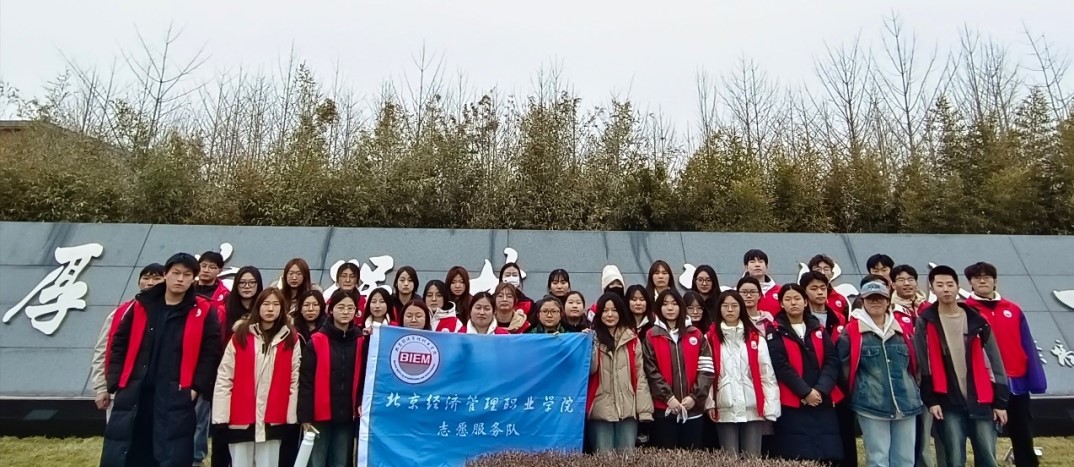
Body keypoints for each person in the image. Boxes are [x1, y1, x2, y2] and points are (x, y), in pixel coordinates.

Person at [101, 253, 223, 467]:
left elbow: (210, 353)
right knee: (129, 452)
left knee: (170, 453)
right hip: (136, 391)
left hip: (176, 393)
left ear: (193, 278)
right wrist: (116, 381)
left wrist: (196, 388)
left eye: (187, 274)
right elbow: (119, 344)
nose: (180, 279)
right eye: (176, 273)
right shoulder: (141, 306)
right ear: (165, 274)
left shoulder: (203, 310)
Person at [914, 265, 1009, 467]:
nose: (946, 289)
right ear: (932, 289)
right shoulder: (926, 321)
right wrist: (931, 400)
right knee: (954, 458)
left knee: (987, 456)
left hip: (981, 398)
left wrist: (1000, 402)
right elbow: (923, 364)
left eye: (950, 284)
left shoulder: (977, 320)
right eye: (940, 285)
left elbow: (995, 361)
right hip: (947, 400)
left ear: (958, 287)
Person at [963, 262, 1046, 467]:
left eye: (987, 277)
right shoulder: (966, 310)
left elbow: (1027, 344)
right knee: (985, 437)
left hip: (1016, 382)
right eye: (977, 277)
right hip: (985, 382)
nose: (982, 281)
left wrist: (1034, 379)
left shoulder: (1013, 309)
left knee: (1022, 434)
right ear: (970, 282)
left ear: (995, 281)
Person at [212, 288, 300, 467]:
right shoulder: (241, 336)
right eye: (266, 304)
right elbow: (224, 378)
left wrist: (291, 418)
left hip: (274, 417)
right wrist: (220, 417)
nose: (270, 309)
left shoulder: (290, 338)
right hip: (240, 416)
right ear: (258, 307)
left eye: (276, 304)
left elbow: (294, 380)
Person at [838, 279, 922, 467]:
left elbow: (915, 366)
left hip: (905, 402)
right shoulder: (852, 332)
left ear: (888, 300)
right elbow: (845, 371)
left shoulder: (902, 329)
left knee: (905, 459)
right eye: (871, 298)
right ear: (862, 301)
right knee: (878, 458)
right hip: (870, 405)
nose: (875, 302)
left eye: (880, 298)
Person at [767, 284, 843, 464]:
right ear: (781, 304)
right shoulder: (775, 330)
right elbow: (780, 365)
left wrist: (820, 390)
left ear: (805, 302)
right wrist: (805, 392)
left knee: (827, 453)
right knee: (798, 455)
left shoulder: (818, 328)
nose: (793, 303)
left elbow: (831, 360)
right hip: (793, 400)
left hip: (821, 398)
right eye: (788, 299)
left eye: (797, 298)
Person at [704, 290, 780, 456]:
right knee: (729, 458)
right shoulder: (709, 338)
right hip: (724, 406)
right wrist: (710, 403)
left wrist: (770, 406)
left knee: (752, 458)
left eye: (734, 305)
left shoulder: (755, 338)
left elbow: (767, 374)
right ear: (719, 309)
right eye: (725, 306)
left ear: (741, 309)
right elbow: (706, 375)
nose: (730, 310)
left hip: (753, 405)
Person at [298, 289, 365, 467]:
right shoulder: (317, 341)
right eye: (341, 307)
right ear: (331, 310)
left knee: (340, 462)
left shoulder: (361, 341)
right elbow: (306, 382)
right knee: (316, 461)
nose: (345, 312)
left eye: (350, 308)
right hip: (319, 416)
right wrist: (305, 417)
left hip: (347, 416)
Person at [90, 263, 165, 420]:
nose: (150, 283)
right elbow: (104, 350)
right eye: (146, 278)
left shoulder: (172, 312)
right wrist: (102, 387)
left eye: (157, 278)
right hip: (123, 387)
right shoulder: (122, 312)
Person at [642, 289, 715, 449]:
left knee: (693, 457)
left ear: (681, 307)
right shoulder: (651, 336)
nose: (670, 308)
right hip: (664, 410)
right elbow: (650, 371)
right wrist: (668, 398)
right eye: (665, 304)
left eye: (674, 304)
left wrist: (694, 397)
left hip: (693, 410)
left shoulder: (695, 334)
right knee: (666, 457)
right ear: (659, 308)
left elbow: (706, 370)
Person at [587, 293, 652, 453]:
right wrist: (589, 343)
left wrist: (644, 410)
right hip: (600, 408)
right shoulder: (592, 338)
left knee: (626, 457)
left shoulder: (632, 339)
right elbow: (590, 369)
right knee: (603, 457)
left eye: (614, 310)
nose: (610, 315)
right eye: (605, 310)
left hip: (628, 408)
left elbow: (640, 375)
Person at [192, 251, 230, 467]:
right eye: (203, 265)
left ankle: (196, 457)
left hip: (210, 360)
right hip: (184, 359)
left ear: (220, 271)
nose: (206, 270)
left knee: (201, 414)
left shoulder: (225, 296)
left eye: (212, 267)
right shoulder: (186, 290)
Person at [742, 249, 781, 314]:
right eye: (752, 262)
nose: (757, 265)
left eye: (760, 261)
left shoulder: (779, 291)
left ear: (766, 266)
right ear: (746, 267)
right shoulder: (737, 291)